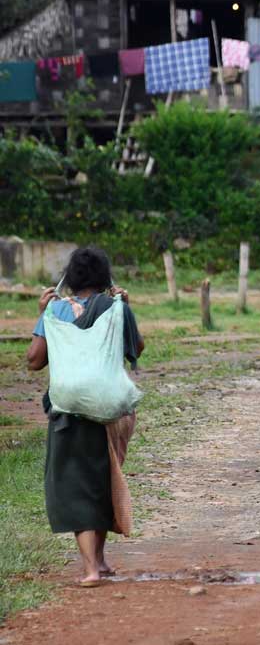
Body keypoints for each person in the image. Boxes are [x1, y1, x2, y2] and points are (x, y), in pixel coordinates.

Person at [26, 247, 144, 588]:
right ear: (105, 277)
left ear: (71, 278)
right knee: (104, 479)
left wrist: (44, 315)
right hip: (112, 412)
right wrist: (125, 309)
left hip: (69, 411)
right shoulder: (115, 307)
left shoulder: (56, 309)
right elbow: (135, 348)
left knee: (76, 485)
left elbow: (34, 360)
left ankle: (92, 567)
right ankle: (102, 561)